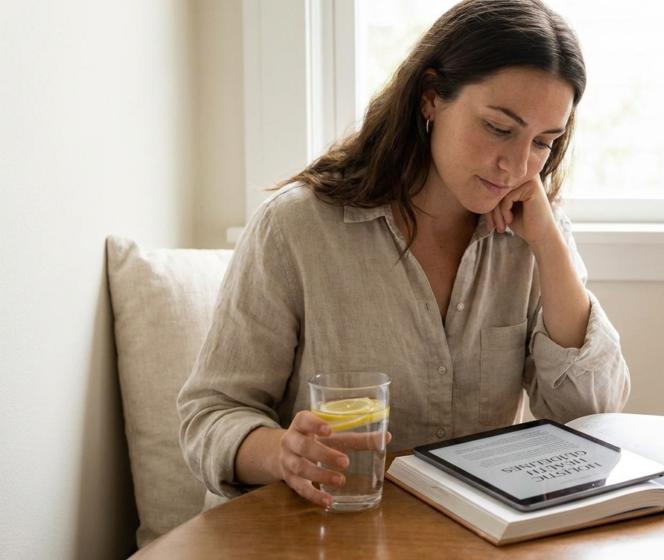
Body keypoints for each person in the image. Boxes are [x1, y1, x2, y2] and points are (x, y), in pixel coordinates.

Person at [178, 0, 629, 510]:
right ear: (430, 98)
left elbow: (590, 416)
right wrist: (285, 453)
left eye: (544, 143)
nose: (517, 165)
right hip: (318, 538)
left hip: (475, 542)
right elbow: (210, 416)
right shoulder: (295, 229)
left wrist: (550, 245)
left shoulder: (534, 237)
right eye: (500, 128)